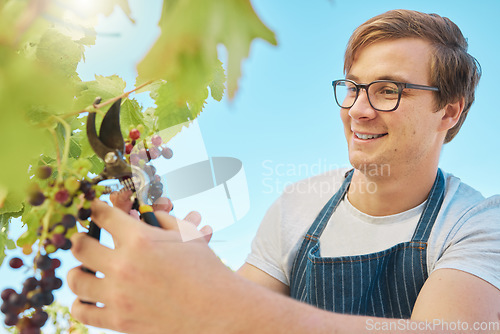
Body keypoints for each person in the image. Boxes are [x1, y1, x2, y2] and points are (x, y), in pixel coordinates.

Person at [67, 9, 500, 334]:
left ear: (449, 110)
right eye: (351, 88)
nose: (358, 110)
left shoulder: (478, 224)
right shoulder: (298, 205)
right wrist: (177, 265)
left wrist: (213, 296)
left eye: (389, 91)